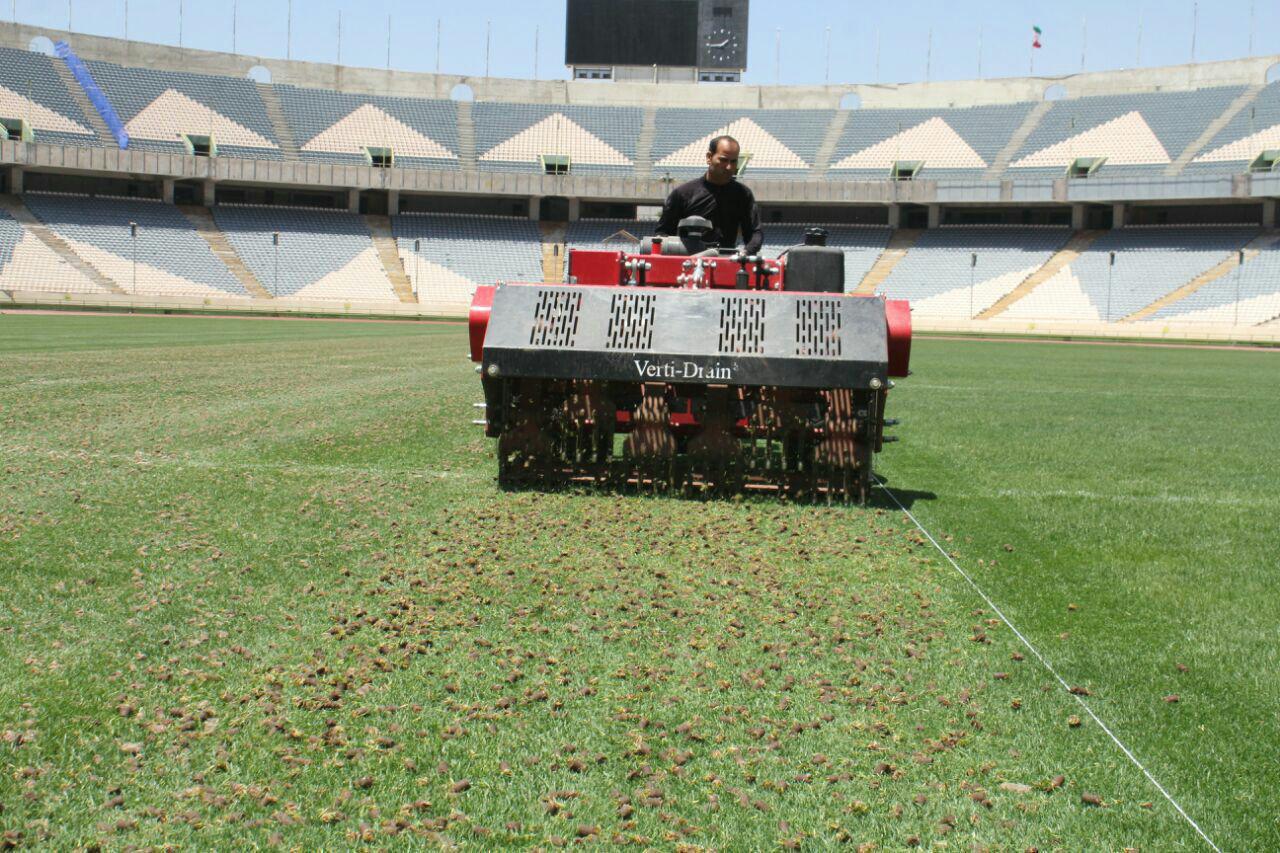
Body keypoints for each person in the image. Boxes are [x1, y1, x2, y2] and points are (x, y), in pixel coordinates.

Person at [656, 135, 763, 255]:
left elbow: (755, 233)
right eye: (723, 160)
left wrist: (746, 252)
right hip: (687, 265)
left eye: (733, 161)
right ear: (709, 157)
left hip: (726, 265)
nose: (729, 167)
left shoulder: (743, 195)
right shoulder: (682, 194)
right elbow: (663, 234)